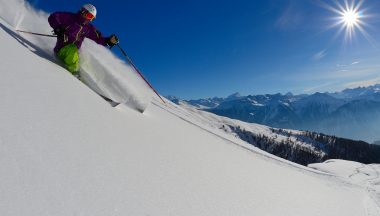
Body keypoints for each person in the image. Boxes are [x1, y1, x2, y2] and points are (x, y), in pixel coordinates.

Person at [48, 4, 119, 78]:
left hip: (74, 54)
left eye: (92, 18)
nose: (89, 19)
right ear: (83, 11)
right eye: (89, 16)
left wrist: (109, 41)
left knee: (85, 59)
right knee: (72, 48)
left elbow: (98, 38)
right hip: (61, 50)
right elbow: (53, 16)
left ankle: (89, 78)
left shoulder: (88, 28)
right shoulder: (70, 18)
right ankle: (75, 73)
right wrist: (58, 28)